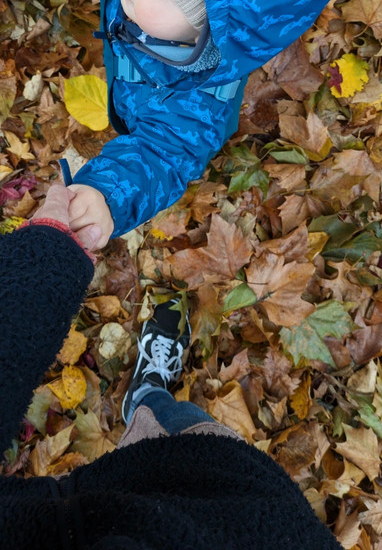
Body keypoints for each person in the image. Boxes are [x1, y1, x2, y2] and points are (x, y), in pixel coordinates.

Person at [0, 184, 343, 548]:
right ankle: (149, 393)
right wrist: (41, 262)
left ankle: (146, 394)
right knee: (185, 427)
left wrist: (40, 263)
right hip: (243, 510)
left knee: (167, 424)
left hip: (93, 511)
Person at [66, 0, 358, 249]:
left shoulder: (196, 101)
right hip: (137, 52)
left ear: (215, 34)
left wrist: (107, 196)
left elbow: (164, 153)